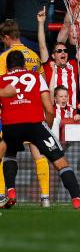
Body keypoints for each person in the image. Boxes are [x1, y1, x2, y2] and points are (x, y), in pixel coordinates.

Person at [0, 51, 80, 210]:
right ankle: (76, 200)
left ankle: (11, 192)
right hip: (35, 124)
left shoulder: (1, 80)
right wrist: (45, 127)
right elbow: (49, 109)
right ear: (24, 65)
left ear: (7, 66)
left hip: (11, 126)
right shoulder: (35, 76)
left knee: (9, 155)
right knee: (61, 162)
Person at [0, 15, 51, 207]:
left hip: (11, 113)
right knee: (39, 153)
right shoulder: (34, 55)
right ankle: (45, 197)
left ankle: (3, 195)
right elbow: (42, 83)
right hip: (34, 112)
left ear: (6, 37)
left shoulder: (4, 58)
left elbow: (2, 87)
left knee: (5, 154)